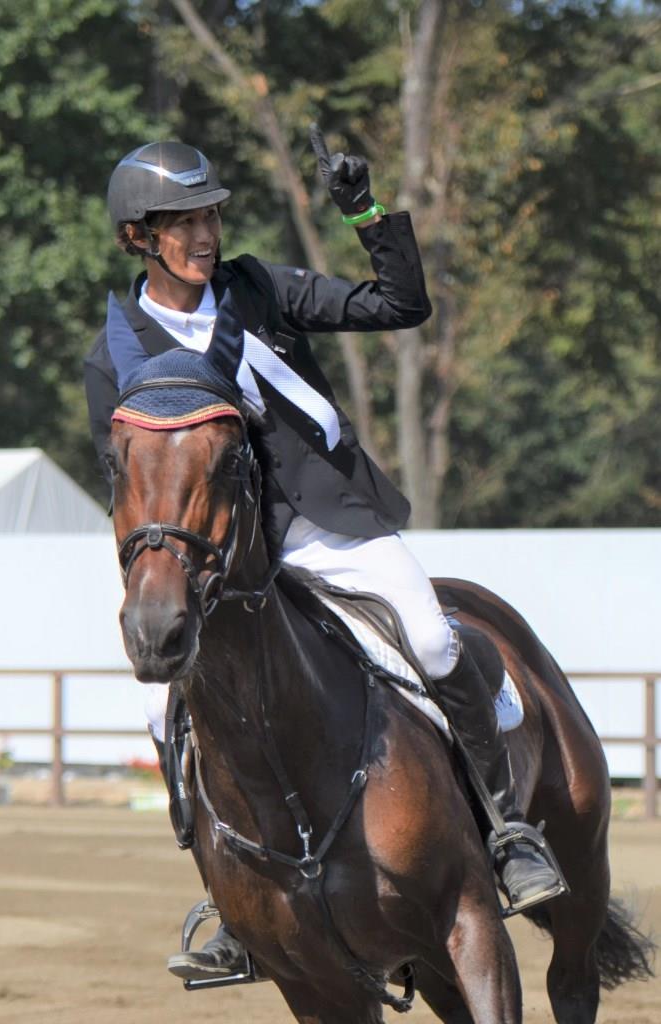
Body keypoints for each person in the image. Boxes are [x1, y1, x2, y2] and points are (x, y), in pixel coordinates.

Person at [84, 134, 563, 982]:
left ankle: (507, 830)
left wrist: (366, 213)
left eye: (211, 216)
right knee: (163, 712)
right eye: (183, 222)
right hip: (221, 559)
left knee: (433, 635)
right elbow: (128, 484)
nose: (205, 234)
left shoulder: (259, 289)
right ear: (139, 237)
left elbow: (399, 305)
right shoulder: (114, 351)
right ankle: (237, 906)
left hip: (329, 526)